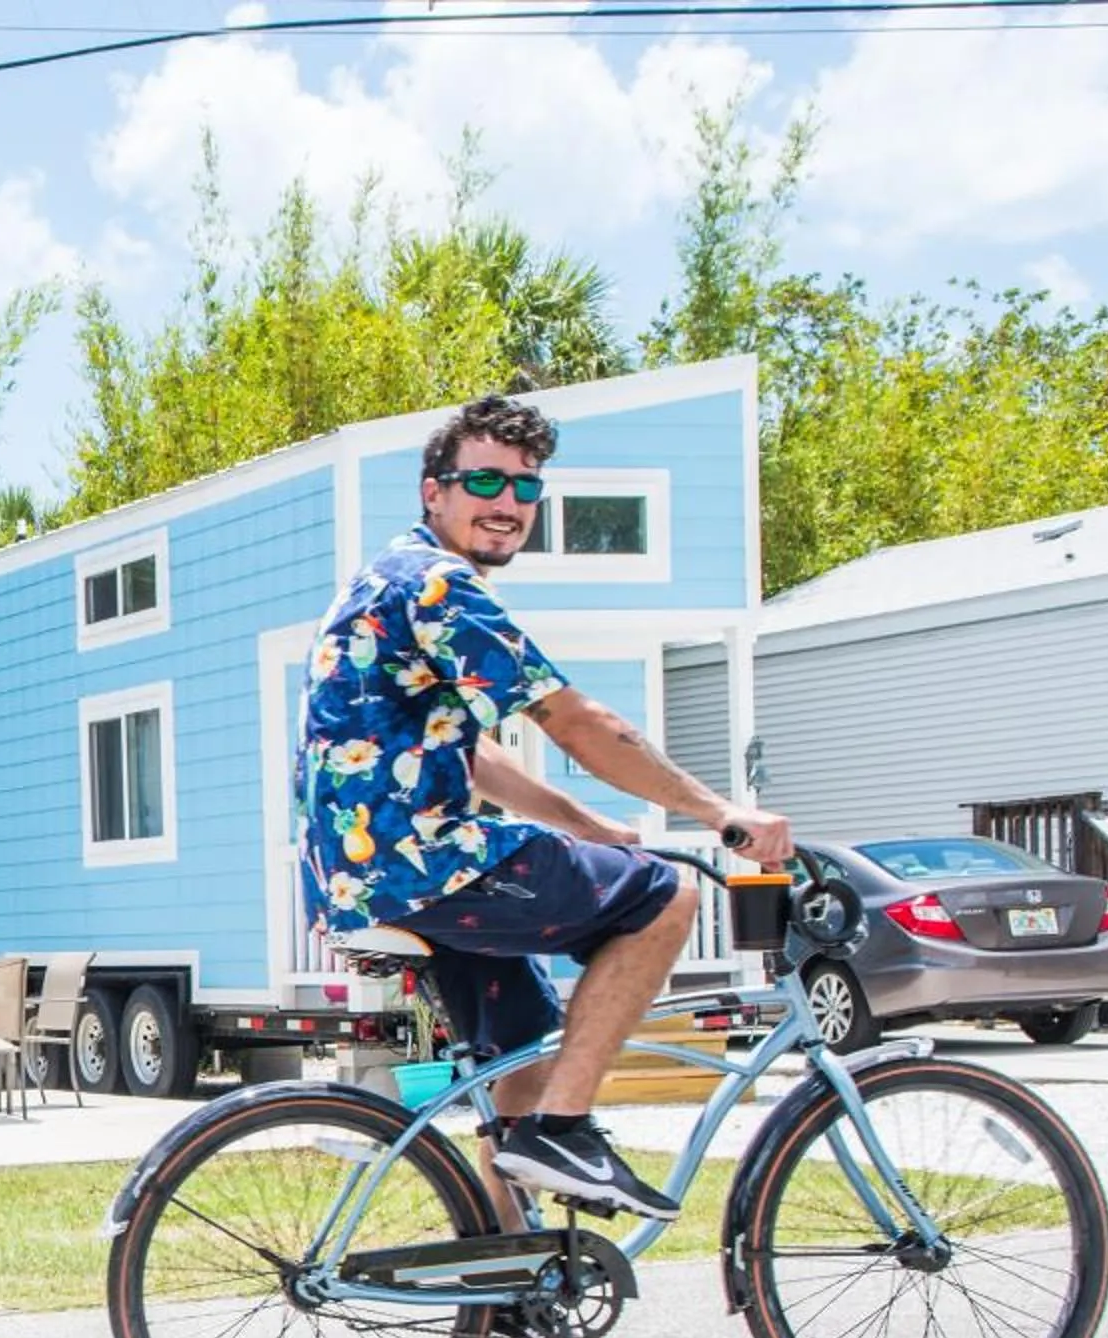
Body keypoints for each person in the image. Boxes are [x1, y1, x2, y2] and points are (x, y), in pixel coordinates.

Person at [299, 393, 794, 1251]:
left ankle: (509, 1267)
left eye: (526, 487)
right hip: (425, 861)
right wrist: (720, 812)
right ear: (433, 491)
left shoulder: (387, 579)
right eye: (484, 481)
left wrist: (588, 825)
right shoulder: (438, 584)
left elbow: (474, 758)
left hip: (370, 874)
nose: (508, 502)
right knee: (666, 897)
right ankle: (565, 1130)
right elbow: (574, 721)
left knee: (523, 1052)